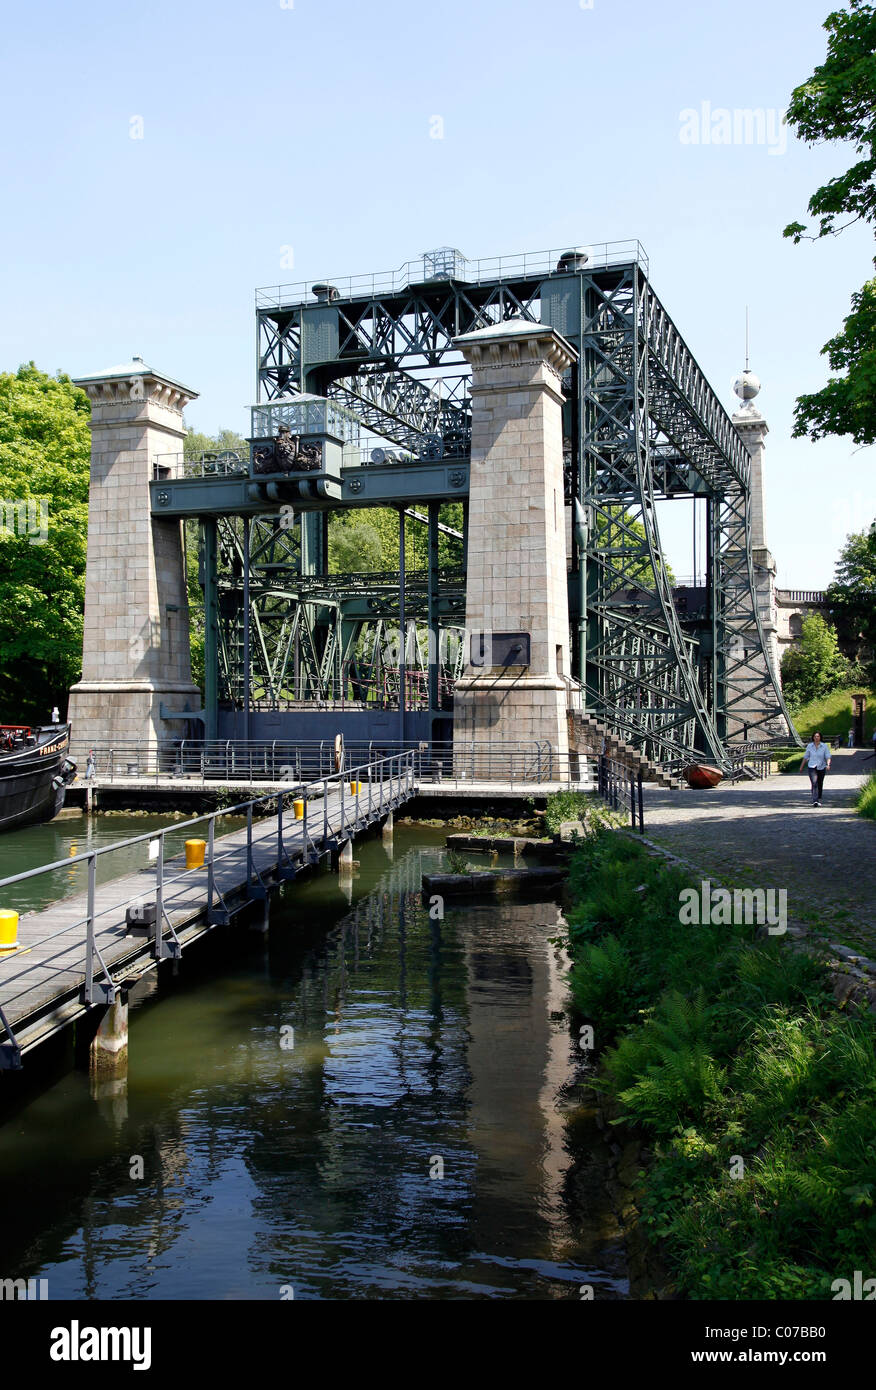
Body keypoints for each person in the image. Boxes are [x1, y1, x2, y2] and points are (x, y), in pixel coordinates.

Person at [799, 730, 831, 806]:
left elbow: (828, 756)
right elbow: (806, 757)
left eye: (818, 736)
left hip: (821, 766)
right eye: (815, 736)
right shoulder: (810, 746)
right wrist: (801, 767)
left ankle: (818, 795)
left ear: (820, 737)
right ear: (813, 737)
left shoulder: (824, 746)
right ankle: (815, 800)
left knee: (820, 782)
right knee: (814, 782)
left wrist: (828, 764)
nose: (816, 738)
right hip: (812, 766)